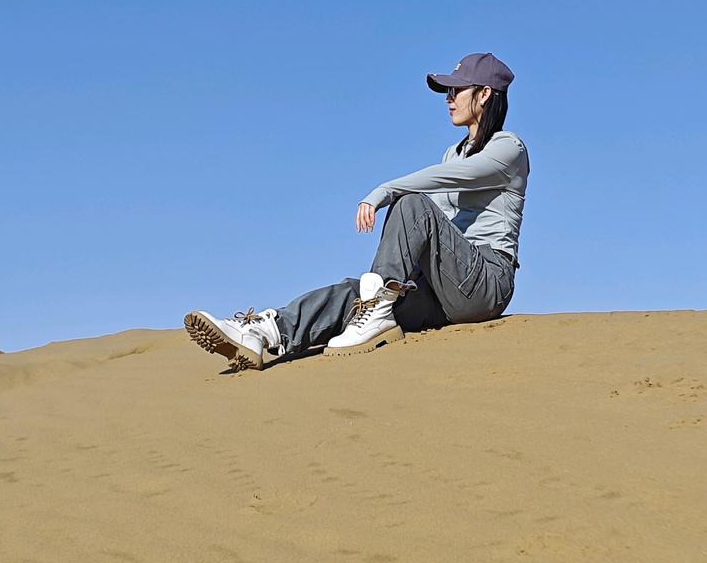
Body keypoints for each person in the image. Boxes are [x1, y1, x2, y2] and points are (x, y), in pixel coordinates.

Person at [184, 52, 530, 371]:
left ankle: (376, 307)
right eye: (447, 91)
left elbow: (441, 186)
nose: (448, 98)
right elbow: (429, 226)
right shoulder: (452, 153)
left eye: (456, 90)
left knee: (409, 202)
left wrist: (383, 191)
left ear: (484, 94)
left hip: (487, 282)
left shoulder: (508, 149)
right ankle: (267, 332)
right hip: (444, 288)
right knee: (354, 293)